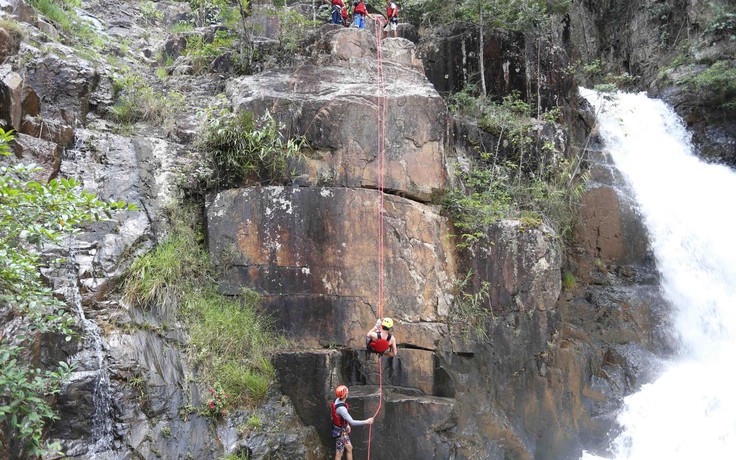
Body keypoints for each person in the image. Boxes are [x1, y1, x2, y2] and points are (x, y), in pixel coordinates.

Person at [331, 385, 374, 460]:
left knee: (349, 448)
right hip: (340, 432)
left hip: (342, 429)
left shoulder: (337, 400)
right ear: (346, 395)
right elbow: (352, 422)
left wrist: (346, 424)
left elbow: (341, 418)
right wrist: (366, 421)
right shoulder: (341, 409)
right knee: (339, 452)